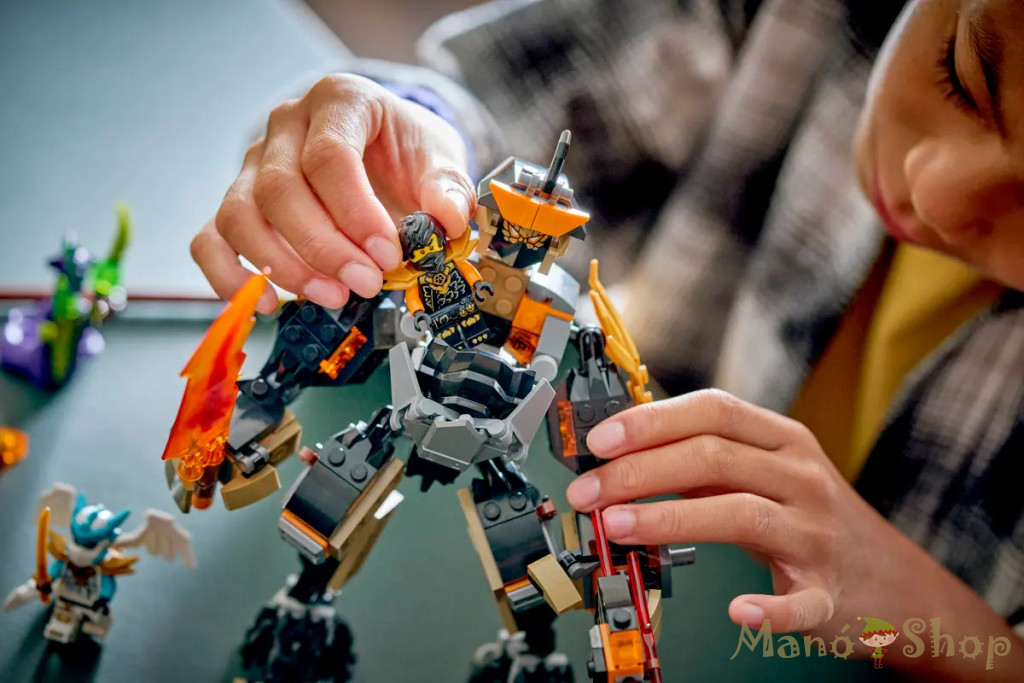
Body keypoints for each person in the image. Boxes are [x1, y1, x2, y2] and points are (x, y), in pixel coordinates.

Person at [188, 0, 1024, 677]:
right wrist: (404, 143)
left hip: (503, 448)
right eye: (962, 75)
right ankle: (303, 598)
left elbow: (595, 418)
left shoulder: (558, 314)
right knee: (329, 502)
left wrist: (971, 642)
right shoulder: (792, 18)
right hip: (413, 413)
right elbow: (485, 105)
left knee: (525, 558)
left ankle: (531, 654)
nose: (935, 192)